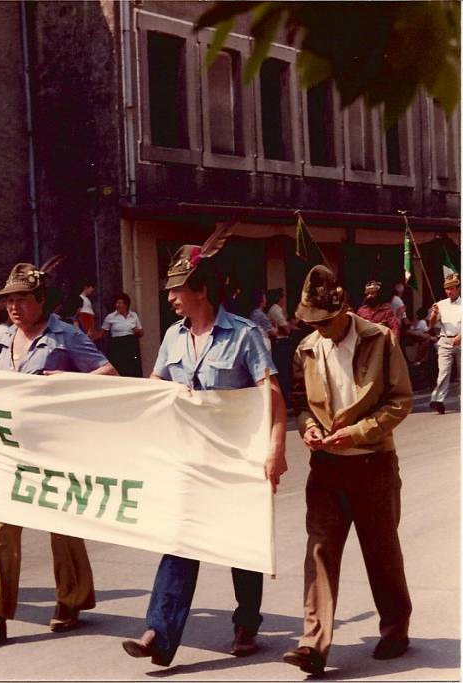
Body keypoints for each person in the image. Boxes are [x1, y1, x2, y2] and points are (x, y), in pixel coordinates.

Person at [122, 239, 287, 667]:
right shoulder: (173, 338)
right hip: (189, 460)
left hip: (235, 458)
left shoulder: (245, 335)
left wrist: (276, 450)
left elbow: (271, 394)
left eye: (177, 289)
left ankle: (247, 623)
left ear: (201, 290)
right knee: (182, 540)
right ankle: (159, 632)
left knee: (238, 546)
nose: (171, 297)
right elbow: (157, 389)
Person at [0, 258, 118, 642]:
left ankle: (71, 599)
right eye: (9, 300)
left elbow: (108, 373)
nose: (13, 307)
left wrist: (69, 381)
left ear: (42, 300)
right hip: (10, 446)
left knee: (60, 524)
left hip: (54, 446)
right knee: (2, 528)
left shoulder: (66, 335)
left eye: (22, 299)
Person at [283, 265, 413, 677]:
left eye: (324, 321)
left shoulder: (380, 339)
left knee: (381, 550)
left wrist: (356, 434)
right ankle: (313, 643)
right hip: (325, 468)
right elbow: (300, 403)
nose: (319, 329)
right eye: (311, 322)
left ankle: (395, 628)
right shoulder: (305, 348)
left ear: (343, 309)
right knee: (319, 550)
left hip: (372, 464)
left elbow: (399, 400)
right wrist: (308, 429)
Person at [427, 271, 461, 414]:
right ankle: (438, 400)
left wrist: (460, 336)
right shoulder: (440, 304)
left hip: (460, 339)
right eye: (447, 288)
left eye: (452, 288)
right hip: (445, 340)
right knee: (443, 372)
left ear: (458, 288)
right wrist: (434, 314)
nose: (449, 291)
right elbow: (431, 325)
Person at [101, 292, 144, 377]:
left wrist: (137, 331)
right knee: (120, 368)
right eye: (116, 303)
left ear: (126, 305)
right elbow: (105, 330)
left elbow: (142, 332)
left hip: (131, 344)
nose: (117, 305)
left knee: (132, 368)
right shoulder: (111, 317)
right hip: (118, 344)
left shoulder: (133, 315)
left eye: (120, 303)